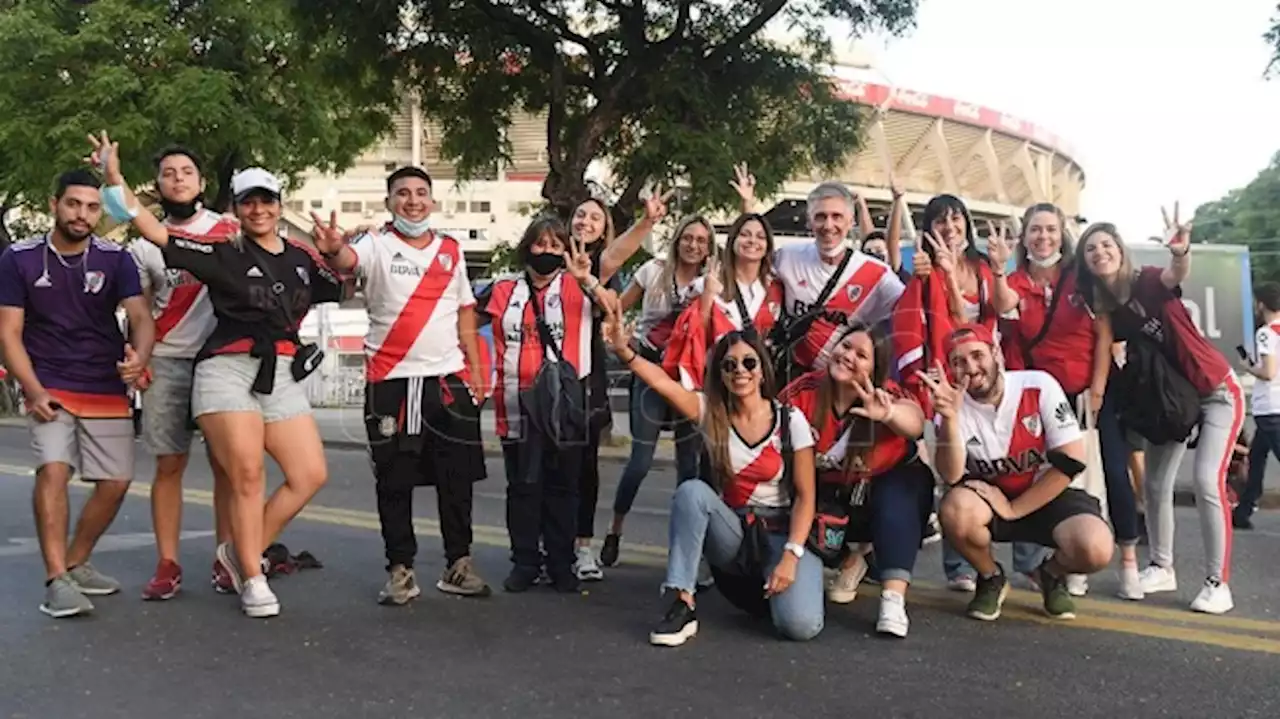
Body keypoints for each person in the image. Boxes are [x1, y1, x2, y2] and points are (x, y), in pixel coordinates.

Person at [93, 132, 344, 618]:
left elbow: (341, 279)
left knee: (308, 473)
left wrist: (334, 251)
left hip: (277, 371)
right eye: (249, 202)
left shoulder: (295, 253)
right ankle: (250, 575)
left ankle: (235, 553)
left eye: (266, 201)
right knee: (238, 472)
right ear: (237, 207)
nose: (258, 210)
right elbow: (150, 230)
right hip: (215, 365)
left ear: (278, 204)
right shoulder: (221, 249)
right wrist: (113, 180)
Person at [311, 166, 491, 603]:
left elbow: (465, 309)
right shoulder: (374, 245)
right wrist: (335, 251)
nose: (413, 201)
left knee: (457, 478)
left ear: (433, 200)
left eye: (421, 193)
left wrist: (476, 368)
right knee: (395, 479)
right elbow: (347, 262)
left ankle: (459, 563)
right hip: (390, 382)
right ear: (389, 201)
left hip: (447, 381)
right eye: (403, 194)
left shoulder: (450, 249)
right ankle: (400, 569)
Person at [603, 312, 822, 646]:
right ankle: (681, 602)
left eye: (749, 363)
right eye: (729, 365)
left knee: (800, 627)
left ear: (762, 369)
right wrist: (625, 352)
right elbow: (663, 384)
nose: (740, 372)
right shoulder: (710, 413)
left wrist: (791, 557)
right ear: (720, 374)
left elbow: (806, 497)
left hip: (779, 533)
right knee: (691, 492)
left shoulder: (790, 421)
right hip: (732, 531)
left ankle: (771, 592)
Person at [0, 169, 156, 618]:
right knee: (54, 469)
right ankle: (56, 581)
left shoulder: (116, 258)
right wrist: (31, 389)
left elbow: (141, 318)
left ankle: (76, 561)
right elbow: (9, 333)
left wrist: (140, 357)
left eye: (91, 206)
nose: (82, 214)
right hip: (48, 380)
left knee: (117, 482)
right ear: (54, 205)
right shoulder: (18, 258)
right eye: (73, 204)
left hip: (104, 382)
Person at [1076, 211, 1243, 614]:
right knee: (1153, 484)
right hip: (1170, 402)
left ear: (1121, 251)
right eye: (1091, 248)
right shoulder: (1108, 309)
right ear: (1085, 262)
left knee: (1206, 480)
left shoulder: (1147, 281)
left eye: (1107, 245)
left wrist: (1181, 249)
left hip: (1216, 390)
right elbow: (1099, 347)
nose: (1100, 252)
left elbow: (1175, 272)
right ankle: (1162, 566)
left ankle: (1217, 583)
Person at [994, 203, 1140, 599]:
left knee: (1105, 474)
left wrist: (1095, 392)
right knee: (1044, 477)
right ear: (1024, 237)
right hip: (1039, 402)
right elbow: (1003, 306)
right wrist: (996, 268)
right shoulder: (1016, 280)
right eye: (1035, 230)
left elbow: (1104, 335)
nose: (1043, 237)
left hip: (1084, 396)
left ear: (1062, 234)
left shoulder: (1081, 277)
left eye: (1050, 230)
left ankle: (1125, 559)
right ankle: (1058, 563)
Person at [928, 324, 1114, 621]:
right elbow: (950, 475)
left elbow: (1072, 461)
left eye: (977, 355)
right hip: (989, 498)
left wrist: (1015, 508)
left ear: (996, 353)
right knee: (955, 510)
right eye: (958, 362)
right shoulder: (951, 404)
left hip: (1045, 493)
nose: (971, 368)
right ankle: (990, 576)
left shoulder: (1038, 385)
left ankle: (1050, 574)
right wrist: (950, 419)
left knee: (1096, 548)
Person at [480, 216, 617, 593]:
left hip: (564, 410)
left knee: (563, 487)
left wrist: (587, 278)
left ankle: (560, 563)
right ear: (527, 246)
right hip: (516, 405)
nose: (547, 252)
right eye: (541, 244)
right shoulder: (503, 289)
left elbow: (613, 309)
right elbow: (467, 324)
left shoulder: (576, 288)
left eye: (556, 245)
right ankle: (525, 561)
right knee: (523, 486)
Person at [128, 146, 241, 599]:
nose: (178, 179)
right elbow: (139, 314)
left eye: (187, 172)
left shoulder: (227, 231)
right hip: (167, 361)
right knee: (169, 464)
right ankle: (167, 563)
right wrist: (139, 360)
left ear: (201, 181)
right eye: (168, 173)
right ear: (158, 184)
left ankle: (227, 557)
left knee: (227, 467)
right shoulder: (141, 246)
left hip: (222, 361)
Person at [778, 324, 932, 637]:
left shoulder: (885, 395)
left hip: (876, 497)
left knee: (901, 489)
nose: (848, 356)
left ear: (875, 370)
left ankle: (892, 598)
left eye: (861, 355)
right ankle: (849, 559)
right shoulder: (804, 391)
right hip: (825, 499)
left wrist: (887, 416)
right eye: (845, 346)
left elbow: (915, 422)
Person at [598, 215, 712, 570]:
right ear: (677, 239)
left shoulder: (712, 282)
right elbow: (619, 304)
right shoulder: (653, 271)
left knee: (689, 467)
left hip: (688, 377)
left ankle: (688, 551)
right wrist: (616, 328)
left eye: (701, 241)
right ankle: (615, 528)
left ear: (709, 248)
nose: (693, 245)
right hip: (649, 368)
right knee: (640, 461)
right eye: (688, 237)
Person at [566, 193, 668, 582]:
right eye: (580, 214)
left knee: (584, 466)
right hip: (542, 377)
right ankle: (542, 546)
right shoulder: (551, 256)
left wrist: (646, 222)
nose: (585, 222)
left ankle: (583, 547)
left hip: (583, 377)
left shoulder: (596, 267)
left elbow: (613, 265)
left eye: (595, 218)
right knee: (544, 467)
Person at [1234, 281, 1280, 529]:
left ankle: (1245, 508)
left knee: (1262, 457)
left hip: (1270, 407)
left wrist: (1248, 367)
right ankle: (1243, 511)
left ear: (1261, 304)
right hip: (1274, 409)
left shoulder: (1266, 333)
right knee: (1257, 458)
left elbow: (1269, 372)